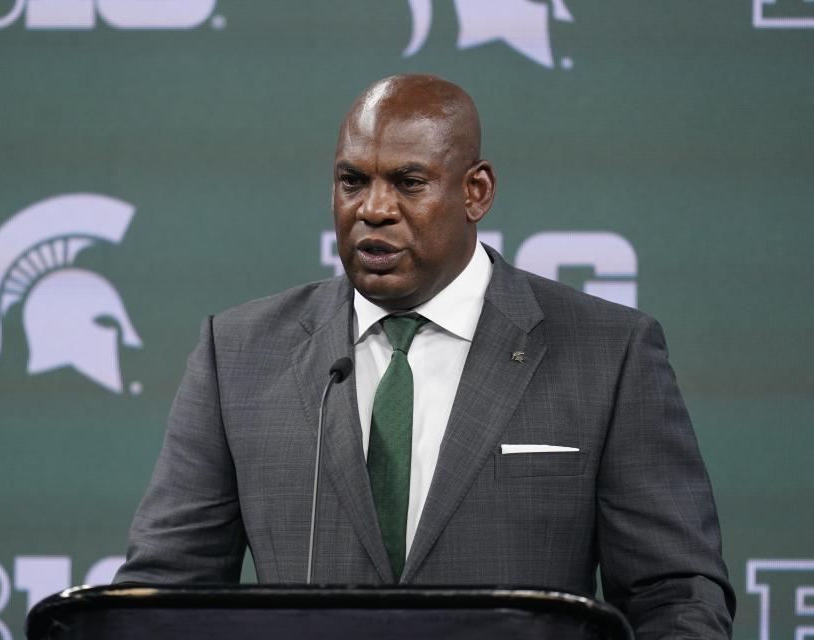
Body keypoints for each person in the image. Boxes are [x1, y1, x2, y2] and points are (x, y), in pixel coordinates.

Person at [116, 74, 735, 638]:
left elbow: (675, 596)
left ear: (476, 191)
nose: (374, 210)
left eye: (409, 182)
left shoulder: (609, 353)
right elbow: (165, 595)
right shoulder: (240, 354)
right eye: (352, 181)